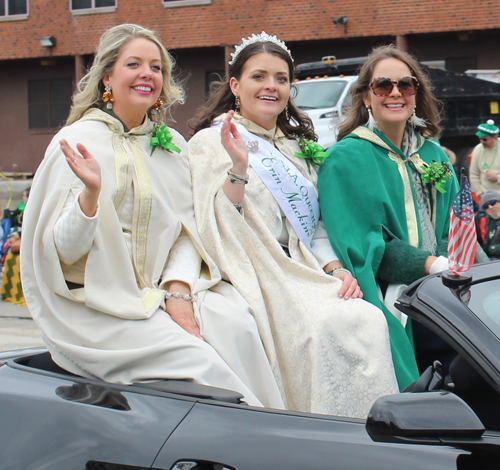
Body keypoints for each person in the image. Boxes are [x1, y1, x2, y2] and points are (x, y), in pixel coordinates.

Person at [20, 24, 285, 409]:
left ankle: (281, 430)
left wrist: (177, 291)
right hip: (100, 307)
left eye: (156, 66)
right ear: (107, 76)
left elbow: (186, 232)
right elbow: (62, 254)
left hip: (165, 291)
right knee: (201, 363)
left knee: (242, 325)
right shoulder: (77, 141)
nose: (148, 73)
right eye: (134, 64)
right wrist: (90, 198)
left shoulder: (172, 145)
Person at [188, 32, 399, 418]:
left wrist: (334, 268)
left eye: (281, 79)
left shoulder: (293, 146)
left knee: (366, 317)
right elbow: (216, 226)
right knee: (319, 330)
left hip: (302, 266)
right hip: (254, 267)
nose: (271, 86)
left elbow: (315, 224)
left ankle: (368, 436)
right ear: (235, 85)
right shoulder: (211, 142)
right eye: (259, 76)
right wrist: (237, 167)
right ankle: (315, 430)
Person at [318, 45, 461, 387]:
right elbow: (367, 245)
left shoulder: (432, 153)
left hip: (447, 281)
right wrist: (433, 266)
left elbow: (457, 224)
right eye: (383, 85)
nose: (395, 93)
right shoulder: (346, 158)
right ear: (367, 97)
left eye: (405, 85)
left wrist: (466, 265)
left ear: (416, 95)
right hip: (395, 291)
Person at [470, 120, 500, 197]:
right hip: (486, 196)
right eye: (480, 139)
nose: (482, 141)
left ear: (495, 137)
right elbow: (473, 174)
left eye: (485, 139)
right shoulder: (478, 149)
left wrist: (497, 178)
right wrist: (480, 193)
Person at [480, 190, 500, 259]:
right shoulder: (487, 222)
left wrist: (490, 249)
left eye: (493, 202)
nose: (490, 207)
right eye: (486, 206)